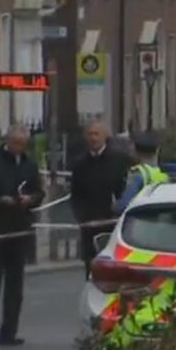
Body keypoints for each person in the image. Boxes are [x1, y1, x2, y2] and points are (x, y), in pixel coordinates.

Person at [0, 124, 45, 347]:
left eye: (23, 145)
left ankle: (9, 333)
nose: (19, 148)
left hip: (20, 226)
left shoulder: (29, 164)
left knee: (16, 283)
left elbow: (39, 192)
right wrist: (0, 200)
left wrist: (31, 199)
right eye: (15, 144)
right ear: (7, 141)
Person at [70, 119, 131, 278]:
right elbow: (76, 195)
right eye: (90, 134)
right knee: (91, 270)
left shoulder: (119, 161)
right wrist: (81, 218)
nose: (93, 138)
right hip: (89, 225)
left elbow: (124, 191)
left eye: (97, 134)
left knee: (114, 270)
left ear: (105, 136)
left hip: (113, 224)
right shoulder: (79, 164)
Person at [113, 132, 168, 215]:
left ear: (135, 151)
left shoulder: (138, 174)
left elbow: (123, 206)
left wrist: (115, 205)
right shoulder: (161, 173)